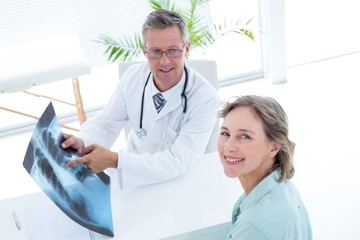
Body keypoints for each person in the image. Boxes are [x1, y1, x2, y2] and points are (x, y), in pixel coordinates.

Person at [61, 9, 220, 189]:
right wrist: (83, 141)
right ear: (144, 51)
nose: (164, 61)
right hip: (132, 173)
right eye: (155, 52)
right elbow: (107, 122)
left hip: (180, 182)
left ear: (187, 49)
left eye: (173, 51)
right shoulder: (133, 78)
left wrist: (116, 160)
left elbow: (177, 162)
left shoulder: (206, 99)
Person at [217, 95, 312, 240]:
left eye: (244, 136)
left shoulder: (253, 227)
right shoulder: (285, 188)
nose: (228, 146)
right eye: (225, 133)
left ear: (273, 147)